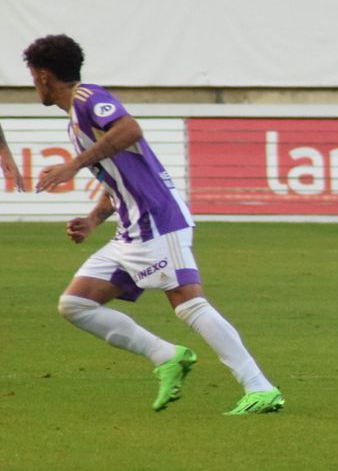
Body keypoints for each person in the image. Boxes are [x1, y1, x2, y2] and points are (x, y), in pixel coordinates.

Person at [22, 34, 284, 416]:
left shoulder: (88, 97)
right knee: (76, 304)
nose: (34, 86)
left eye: (32, 77)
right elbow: (121, 174)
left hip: (158, 220)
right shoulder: (75, 121)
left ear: (44, 76)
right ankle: (166, 356)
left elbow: (130, 129)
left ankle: (260, 387)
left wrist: (72, 166)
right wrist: (94, 218)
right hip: (130, 229)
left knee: (188, 303)